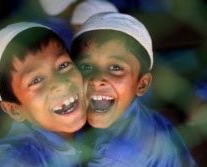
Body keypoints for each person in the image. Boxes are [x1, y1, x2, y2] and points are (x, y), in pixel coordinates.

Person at [70, 12, 197, 166]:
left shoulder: (118, 155)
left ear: (141, 84)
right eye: (86, 66)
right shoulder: (141, 117)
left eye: (115, 67)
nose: (97, 80)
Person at [0, 22, 87, 166]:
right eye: (36, 80)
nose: (60, 83)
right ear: (14, 110)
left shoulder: (96, 116)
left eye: (63, 65)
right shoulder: (15, 158)